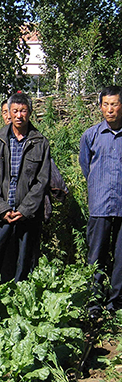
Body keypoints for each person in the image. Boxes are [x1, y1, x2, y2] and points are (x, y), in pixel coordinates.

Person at [0, 92, 51, 283]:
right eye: (15, 111)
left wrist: (25, 209)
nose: (19, 115)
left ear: (30, 113)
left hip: (26, 215)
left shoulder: (40, 142)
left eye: (23, 111)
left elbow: (42, 181)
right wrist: (2, 208)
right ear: (9, 113)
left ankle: (20, 305)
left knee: (23, 264)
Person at [79, 85, 122, 316]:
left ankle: (115, 302)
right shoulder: (91, 135)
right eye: (105, 104)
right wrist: (99, 186)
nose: (109, 109)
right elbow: (86, 165)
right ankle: (94, 302)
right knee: (96, 255)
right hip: (100, 204)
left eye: (114, 104)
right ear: (100, 107)